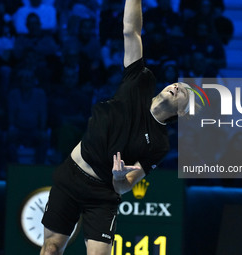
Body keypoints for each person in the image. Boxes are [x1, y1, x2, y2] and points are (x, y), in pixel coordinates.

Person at [40, 0, 191, 254]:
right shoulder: (141, 80)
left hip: (102, 194)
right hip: (72, 174)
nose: (177, 86)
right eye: (177, 84)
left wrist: (119, 178)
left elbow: (126, 184)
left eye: (184, 92)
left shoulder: (159, 143)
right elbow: (131, 31)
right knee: (51, 248)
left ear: (181, 112)